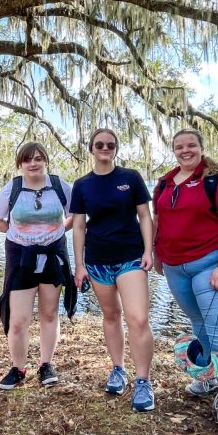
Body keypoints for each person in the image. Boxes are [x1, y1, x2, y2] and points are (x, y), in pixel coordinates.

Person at [152, 129, 218, 427]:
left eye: (191, 145)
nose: (185, 151)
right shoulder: (165, 182)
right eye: (179, 147)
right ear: (173, 150)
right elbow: (159, 220)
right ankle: (207, 375)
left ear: (201, 147)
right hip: (175, 267)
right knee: (200, 324)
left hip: (211, 264)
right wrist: (156, 254)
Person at [71, 129, 156, 412]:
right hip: (97, 261)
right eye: (99, 144)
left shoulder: (130, 178)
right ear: (91, 149)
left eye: (110, 144)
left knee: (138, 318)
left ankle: (143, 381)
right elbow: (79, 226)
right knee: (111, 315)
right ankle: (118, 369)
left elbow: (145, 216)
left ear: (116, 148)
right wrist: (80, 264)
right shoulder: (82, 185)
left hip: (130, 256)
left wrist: (148, 250)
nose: (105, 148)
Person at [0, 142, 75, 389]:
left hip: (52, 256)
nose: (33, 163)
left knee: (49, 314)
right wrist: (19, 234)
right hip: (20, 257)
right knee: (19, 319)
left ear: (45, 160)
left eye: (38, 158)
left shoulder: (59, 186)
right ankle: (18, 368)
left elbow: (76, 216)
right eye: (27, 160)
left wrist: (59, 231)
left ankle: (46, 365)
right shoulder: (13, 188)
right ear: (20, 164)